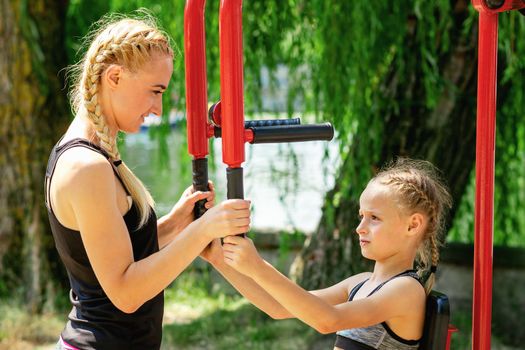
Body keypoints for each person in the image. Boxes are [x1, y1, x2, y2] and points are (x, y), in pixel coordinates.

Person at [44, 14, 251, 350]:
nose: (158, 109)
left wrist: (177, 224)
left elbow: (117, 250)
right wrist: (205, 229)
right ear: (114, 77)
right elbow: (125, 292)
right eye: (155, 92)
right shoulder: (86, 166)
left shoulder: (93, 155)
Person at [201, 158, 452, 350]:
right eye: (361, 216)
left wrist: (258, 266)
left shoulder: (406, 290)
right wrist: (219, 259)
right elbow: (278, 307)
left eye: (374, 218)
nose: (360, 228)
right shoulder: (360, 283)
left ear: (413, 225)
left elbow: (327, 321)